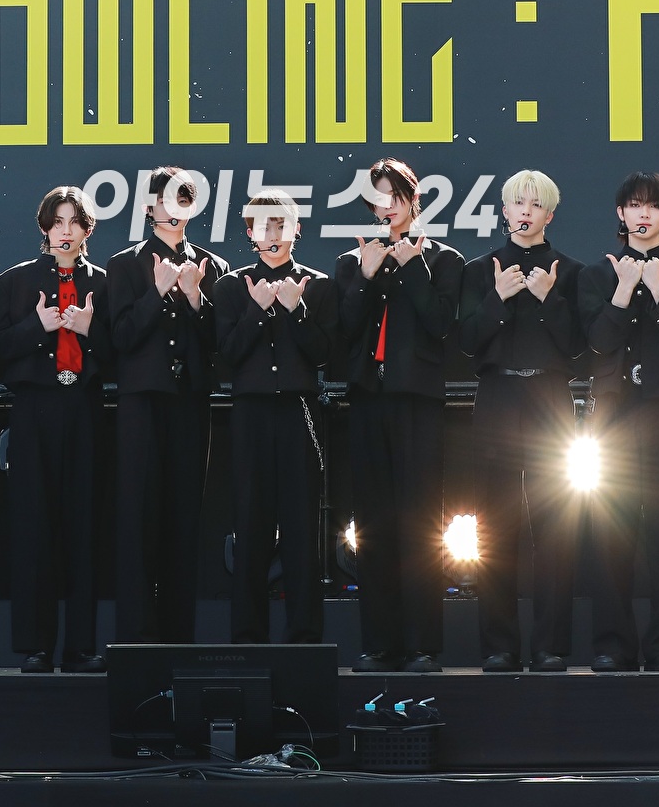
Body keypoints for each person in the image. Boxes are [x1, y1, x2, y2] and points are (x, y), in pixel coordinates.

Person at [578, 172, 659, 673]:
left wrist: (658, 290)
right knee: (608, 535)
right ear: (620, 213)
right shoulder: (595, 275)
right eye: (634, 205)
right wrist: (622, 292)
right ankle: (612, 645)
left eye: (653, 206)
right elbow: (597, 344)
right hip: (614, 416)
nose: (643, 214)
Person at [333, 159, 464, 674]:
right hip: (369, 400)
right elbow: (343, 332)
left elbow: (442, 324)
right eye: (377, 200)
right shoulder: (353, 260)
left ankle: (422, 644)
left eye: (394, 196)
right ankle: (379, 643)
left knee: (421, 522)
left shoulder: (445, 259)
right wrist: (366, 277)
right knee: (374, 525)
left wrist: (412, 267)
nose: (386, 207)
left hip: (419, 401)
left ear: (413, 198)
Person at [457, 170, 584, 673]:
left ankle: (551, 645)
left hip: (550, 397)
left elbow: (578, 348)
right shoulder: (478, 270)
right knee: (494, 522)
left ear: (550, 214)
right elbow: (466, 343)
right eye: (518, 203)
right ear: (505, 210)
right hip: (497, 394)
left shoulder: (571, 272)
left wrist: (550, 299)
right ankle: (499, 646)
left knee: (556, 526)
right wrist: (498, 298)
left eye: (536, 204)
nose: (526, 211)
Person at [0, 186, 112, 673]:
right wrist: (34, 327)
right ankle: (36, 646)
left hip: (85, 409)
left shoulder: (105, 283)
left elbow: (126, 352)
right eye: (57, 221)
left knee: (85, 527)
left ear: (87, 229)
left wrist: (89, 331)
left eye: (75, 222)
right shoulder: (15, 281)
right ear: (45, 227)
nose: (66, 231)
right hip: (33, 409)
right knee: (32, 526)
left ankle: (80, 646)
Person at [106, 167, 230, 643]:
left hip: (191, 401)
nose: (173, 208)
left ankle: (179, 637)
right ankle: (137, 637)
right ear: (148, 207)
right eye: (164, 200)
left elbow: (221, 344)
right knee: (138, 515)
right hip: (141, 401)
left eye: (182, 199)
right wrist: (156, 292)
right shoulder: (124, 265)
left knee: (185, 514)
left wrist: (196, 298)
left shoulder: (212, 265)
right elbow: (120, 337)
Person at [213, 189, 337, 644]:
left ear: (296, 230)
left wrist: (294, 310)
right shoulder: (230, 287)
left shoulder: (318, 285)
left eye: (281, 224)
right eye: (263, 225)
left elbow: (325, 355)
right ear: (250, 233)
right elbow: (226, 356)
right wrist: (257, 310)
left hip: (299, 411)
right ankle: (248, 637)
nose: (273, 233)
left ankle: (304, 636)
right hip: (249, 412)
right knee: (250, 524)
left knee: (302, 525)